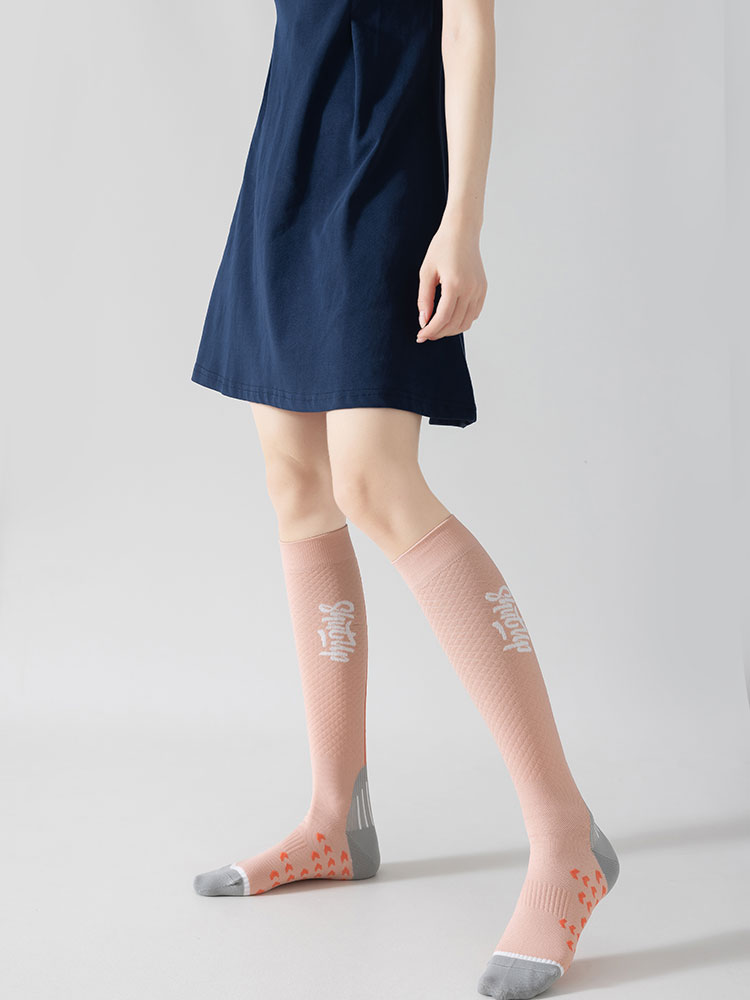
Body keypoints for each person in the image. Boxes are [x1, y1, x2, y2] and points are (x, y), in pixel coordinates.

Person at [190, 2, 618, 998]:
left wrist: (461, 220)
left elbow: (466, 26)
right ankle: (333, 819)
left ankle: (566, 839)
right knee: (296, 482)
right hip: (287, 152)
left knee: (374, 481)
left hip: (385, 155)